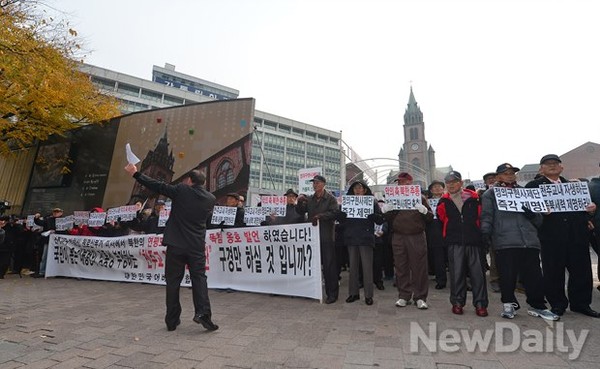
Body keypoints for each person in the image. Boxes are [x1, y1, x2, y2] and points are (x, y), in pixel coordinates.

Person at [125, 163, 219, 331]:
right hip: (196, 245)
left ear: (189, 180)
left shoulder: (181, 190)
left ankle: (172, 320)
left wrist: (136, 174)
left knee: (173, 281)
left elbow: (157, 185)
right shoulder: (210, 199)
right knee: (199, 278)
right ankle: (203, 313)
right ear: (203, 183)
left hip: (176, 244)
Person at [480, 163, 559, 321]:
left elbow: (538, 220)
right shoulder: (490, 194)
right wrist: (485, 234)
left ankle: (538, 305)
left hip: (529, 240)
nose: (510, 175)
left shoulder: (525, 193)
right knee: (507, 275)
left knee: (534, 275)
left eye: (512, 173)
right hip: (505, 240)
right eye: (506, 173)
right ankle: (509, 304)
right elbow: (487, 216)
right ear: (498, 177)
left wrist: (533, 215)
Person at [525, 154, 599, 318]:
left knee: (582, 272)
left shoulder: (573, 185)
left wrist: (591, 211)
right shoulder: (533, 186)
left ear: (561, 167)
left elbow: (583, 209)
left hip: (577, 236)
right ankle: (557, 304)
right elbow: (527, 210)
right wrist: (540, 211)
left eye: (555, 163)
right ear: (541, 168)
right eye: (547, 164)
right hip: (551, 237)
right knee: (553, 273)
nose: (552, 166)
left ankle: (581, 304)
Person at [437, 171, 489, 317]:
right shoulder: (443, 201)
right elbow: (442, 219)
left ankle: (480, 304)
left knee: (478, 274)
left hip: (474, 240)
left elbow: (481, 216)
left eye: (454, 182)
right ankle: (457, 303)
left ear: (461, 183)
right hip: (454, 242)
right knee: (456, 273)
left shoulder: (474, 198)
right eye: (448, 182)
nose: (451, 185)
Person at [383, 172, 433, 310]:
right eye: (399, 182)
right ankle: (404, 295)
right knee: (400, 266)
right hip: (399, 235)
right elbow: (387, 219)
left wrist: (423, 211)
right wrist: (386, 210)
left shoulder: (420, 198)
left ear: (410, 183)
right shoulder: (393, 198)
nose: (401, 184)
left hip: (416, 235)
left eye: (404, 182)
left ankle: (420, 297)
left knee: (419, 267)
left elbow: (430, 217)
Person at [296, 175, 340, 304]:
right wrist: (299, 202)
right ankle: (312, 291)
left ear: (323, 184)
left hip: (326, 236)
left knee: (329, 266)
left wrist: (321, 216)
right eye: (313, 183)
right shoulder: (310, 199)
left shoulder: (330, 199)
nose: (315, 185)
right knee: (312, 265)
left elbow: (335, 213)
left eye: (317, 182)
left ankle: (332, 294)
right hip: (313, 237)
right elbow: (301, 211)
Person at [338, 180, 383, 306]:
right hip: (351, 237)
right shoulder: (347, 202)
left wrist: (374, 216)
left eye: (360, 188)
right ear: (352, 190)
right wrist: (340, 215)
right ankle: (353, 293)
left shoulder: (372, 202)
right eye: (355, 188)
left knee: (367, 267)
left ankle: (368, 295)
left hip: (366, 238)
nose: (358, 190)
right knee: (352, 267)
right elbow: (341, 222)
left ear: (364, 190)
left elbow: (380, 220)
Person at [425, 180, 447, 289]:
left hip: (449, 230)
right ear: (431, 190)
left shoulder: (449, 200)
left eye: (440, 186)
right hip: (434, 232)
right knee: (438, 258)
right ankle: (441, 280)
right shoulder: (427, 202)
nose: (437, 188)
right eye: (435, 187)